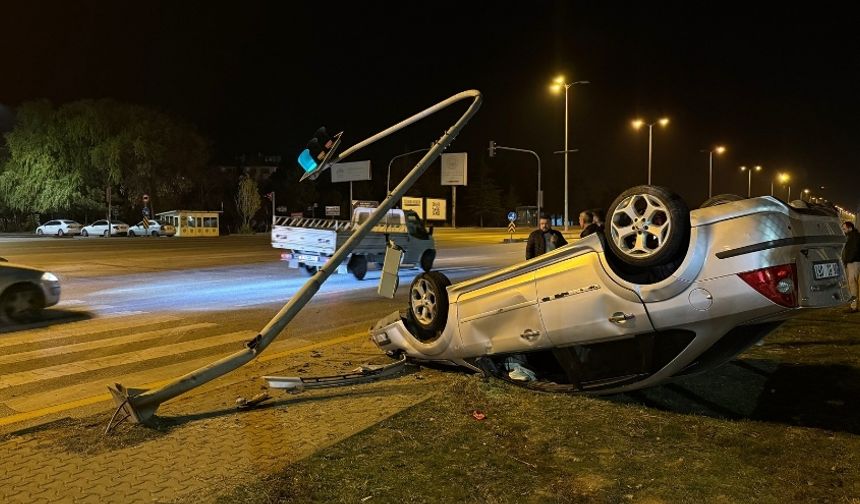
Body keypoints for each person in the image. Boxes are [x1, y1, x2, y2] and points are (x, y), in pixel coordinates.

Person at [843, 221, 860, 313]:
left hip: (853, 262)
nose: (843, 230)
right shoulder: (855, 235)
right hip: (854, 261)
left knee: (852, 284)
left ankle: (854, 306)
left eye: (844, 228)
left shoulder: (853, 237)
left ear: (850, 228)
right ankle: (854, 305)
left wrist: (848, 260)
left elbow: (854, 249)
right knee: (854, 283)